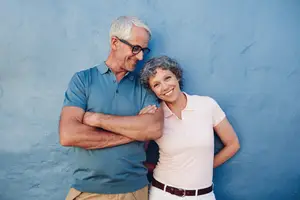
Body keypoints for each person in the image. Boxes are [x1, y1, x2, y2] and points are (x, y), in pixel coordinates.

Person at [59, 16, 164, 200]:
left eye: (143, 50)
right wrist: (134, 132)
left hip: (134, 191)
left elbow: (153, 128)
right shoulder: (83, 80)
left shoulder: (144, 85)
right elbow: (69, 135)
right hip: (87, 191)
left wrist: (98, 119)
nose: (140, 57)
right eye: (136, 48)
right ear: (115, 42)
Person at [139, 56, 240, 200]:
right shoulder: (155, 115)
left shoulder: (207, 105)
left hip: (203, 195)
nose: (165, 87)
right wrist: (140, 123)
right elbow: (136, 156)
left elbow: (233, 144)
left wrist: (202, 167)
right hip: (163, 193)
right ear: (153, 91)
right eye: (156, 85)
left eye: (167, 78)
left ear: (177, 76)